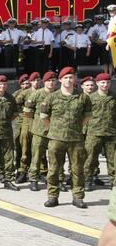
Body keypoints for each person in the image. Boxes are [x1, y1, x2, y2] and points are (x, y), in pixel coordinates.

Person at [41, 67, 92, 208]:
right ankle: (52, 196)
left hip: (76, 139)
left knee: (78, 169)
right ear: (60, 80)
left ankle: (78, 197)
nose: (69, 80)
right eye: (66, 77)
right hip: (56, 139)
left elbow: (87, 117)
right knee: (54, 169)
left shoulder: (83, 97)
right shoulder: (52, 97)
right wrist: (53, 129)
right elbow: (44, 117)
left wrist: (77, 128)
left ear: (75, 79)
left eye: (71, 77)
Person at [25, 71, 57, 191]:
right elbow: (27, 111)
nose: (51, 83)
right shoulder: (37, 94)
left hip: (55, 131)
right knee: (37, 156)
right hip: (40, 131)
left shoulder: (59, 94)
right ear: (44, 82)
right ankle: (33, 179)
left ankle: (55, 179)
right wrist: (37, 121)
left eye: (53, 81)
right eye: (48, 81)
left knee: (55, 157)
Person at [84, 73, 116, 191]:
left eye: (107, 82)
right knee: (90, 158)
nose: (105, 84)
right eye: (102, 82)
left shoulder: (114, 96)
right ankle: (88, 180)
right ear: (97, 83)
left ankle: (114, 182)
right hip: (94, 132)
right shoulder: (90, 98)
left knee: (113, 160)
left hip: (111, 133)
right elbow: (84, 116)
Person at [16, 73, 40, 183]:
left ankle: (42, 171)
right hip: (27, 122)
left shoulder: (44, 92)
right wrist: (21, 114)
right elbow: (14, 104)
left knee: (40, 149)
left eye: (38, 80)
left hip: (40, 124)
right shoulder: (24, 93)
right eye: (34, 80)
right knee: (25, 148)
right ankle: (23, 171)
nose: (36, 82)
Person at [12, 75, 30, 181]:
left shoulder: (35, 92)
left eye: (27, 83)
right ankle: (19, 170)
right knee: (19, 148)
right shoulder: (17, 94)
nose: (25, 85)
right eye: (23, 84)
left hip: (32, 123)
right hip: (20, 123)